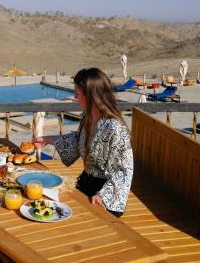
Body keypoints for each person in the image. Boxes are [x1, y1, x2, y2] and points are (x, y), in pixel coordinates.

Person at [33, 68, 133, 217]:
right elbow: (79, 139)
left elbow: (124, 170)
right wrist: (50, 139)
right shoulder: (88, 118)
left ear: (91, 96)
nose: (74, 96)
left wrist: (103, 196)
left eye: (77, 93)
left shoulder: (115, 128)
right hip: (86, 183)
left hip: (105, 195)